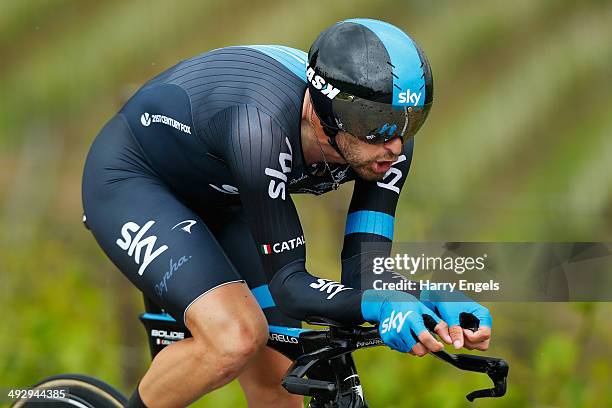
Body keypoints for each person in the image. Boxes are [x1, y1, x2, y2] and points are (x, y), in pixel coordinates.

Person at [82, 18, 491, 408]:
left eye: (410, 122)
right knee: (236, 336)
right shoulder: (259, 127)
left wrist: (428, 297)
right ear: (331, 113)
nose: (395, 145)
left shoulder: (384, 148)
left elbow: (367, 274)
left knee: (281, 382)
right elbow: (290, 287)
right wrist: (382, 307)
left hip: (222, 197)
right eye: (377, 124)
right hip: (134, 180)